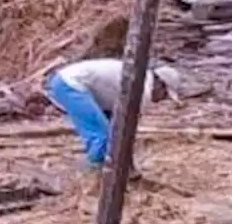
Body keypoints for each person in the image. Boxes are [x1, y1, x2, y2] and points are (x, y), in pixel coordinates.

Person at [45, 58, 180, 171]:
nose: (161, 100)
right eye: (165, 95)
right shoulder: (142, 90)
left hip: (69, 81)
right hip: (71, 84)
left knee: (106, 132)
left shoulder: (139, 76)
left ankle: (98, 167)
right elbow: (125, 129)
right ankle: (90, 176)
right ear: (160, 84)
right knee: (101, 134)